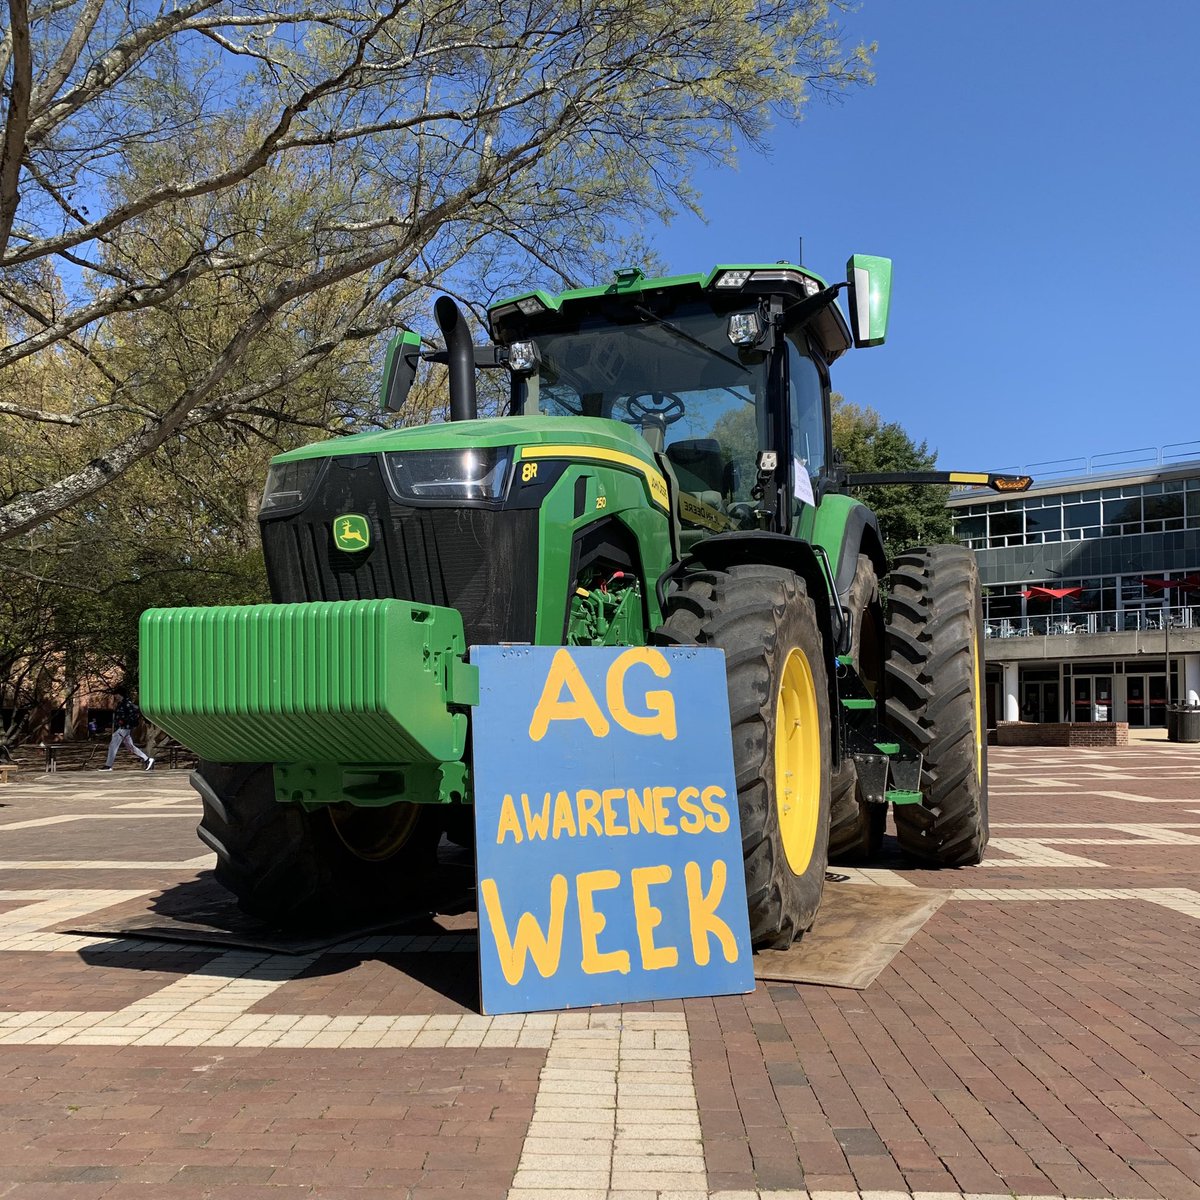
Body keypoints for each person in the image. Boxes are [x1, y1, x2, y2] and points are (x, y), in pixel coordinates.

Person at [100, 690, 154, 771]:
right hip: (123, 728)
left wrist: (124, 721)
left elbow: (133, 714)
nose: (115, 696)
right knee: (130, 747)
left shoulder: (127, 704)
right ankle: (147, 759)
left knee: (113, 745)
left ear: (120, 694)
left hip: (123, 728)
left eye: (116, 694)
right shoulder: (121, 704)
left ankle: (108, 765)